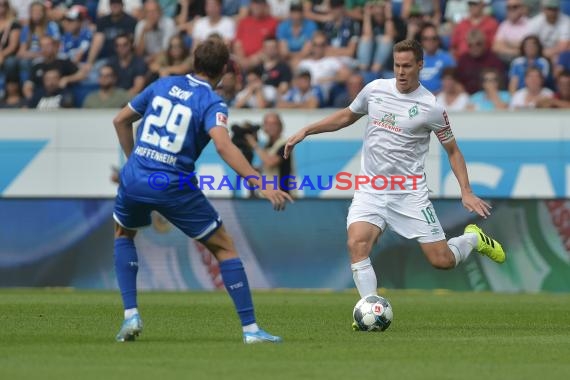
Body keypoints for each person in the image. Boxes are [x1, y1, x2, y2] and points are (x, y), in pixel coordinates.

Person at [283, 39, 506, 329]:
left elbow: (453, 151)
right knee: (357, 243)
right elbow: (347, 116)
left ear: (420, 66)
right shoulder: (375, 90)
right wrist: (306, 130)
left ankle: (473, 238)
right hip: (371, 188)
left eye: (407, 66)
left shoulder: (431, 108)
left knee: (441, 260)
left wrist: (466, 191)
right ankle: (369, 309)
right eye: (397, 65)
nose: (401, 72)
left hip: (409, 194)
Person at [111, 36, 292, 343]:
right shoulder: (212, 102)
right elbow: (223, 144)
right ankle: (251, 331)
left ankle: (131, 315)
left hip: (136, 177)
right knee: (224, 247)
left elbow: (120, 120)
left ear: (194, 61)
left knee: (123, 234)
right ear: (224, 68)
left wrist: (133, 163)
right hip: (173, 183)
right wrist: (260, 183)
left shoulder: (163, 84)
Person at [245, 111, 294, 193]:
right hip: (270, 195)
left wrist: (254, 144)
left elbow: (271, 162)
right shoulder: (267, 146)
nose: (271, 127)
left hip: (282, 194)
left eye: (274, 124)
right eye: (267, 124)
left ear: (281, 126)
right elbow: (266, 169)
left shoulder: (285, 144)